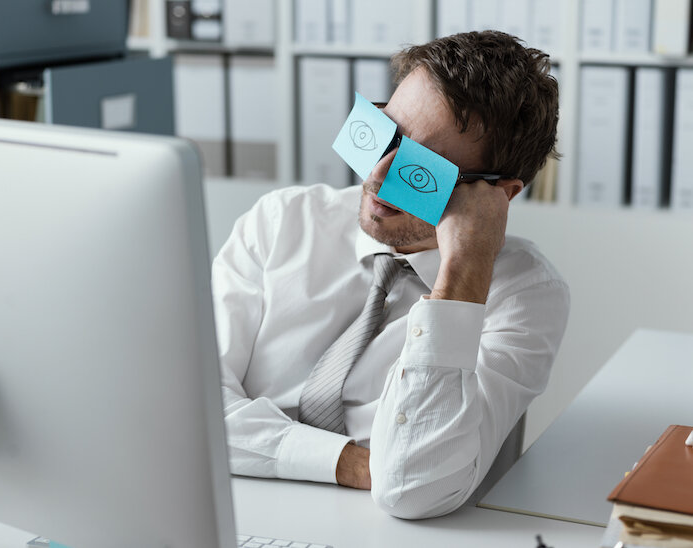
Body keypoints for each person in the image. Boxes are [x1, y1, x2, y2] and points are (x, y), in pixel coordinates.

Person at [212, 30, 569, 520]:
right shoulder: (282, 222)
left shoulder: (526, 296)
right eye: (384, 133)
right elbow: (186, 408)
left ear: (497, 196)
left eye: (420, 169)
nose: (377, 176)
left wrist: (462, 275)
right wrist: (348, 463)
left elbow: (412, 488)